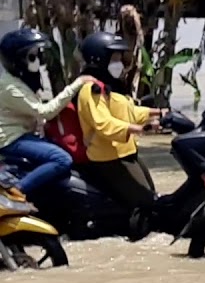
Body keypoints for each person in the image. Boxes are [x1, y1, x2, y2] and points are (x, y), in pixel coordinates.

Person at [74, 32, 165, 213]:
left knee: (154, 198)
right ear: (99, 59)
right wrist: (138, 129)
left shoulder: (110, 86)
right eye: (114, 58)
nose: (120, 64)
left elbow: (127, 112)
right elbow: (103, 124)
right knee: (147, 204)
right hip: (109, 158)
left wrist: (158, 113)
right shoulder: (90, 90)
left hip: (126, 152)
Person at [0, 28, 89, 197]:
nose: (38, 61)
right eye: (32, 57)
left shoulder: (20, 80)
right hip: (11, 139)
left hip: (22, 135)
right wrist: (76, 85)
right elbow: (45, 111)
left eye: (38, 55)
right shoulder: (9, 87)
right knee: (62, 159)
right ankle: (17, 191)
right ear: (17, 60)